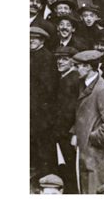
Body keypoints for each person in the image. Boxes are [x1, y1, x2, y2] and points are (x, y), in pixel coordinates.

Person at [71, 50, 104, 194]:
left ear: (88, 67)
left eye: (78, 66)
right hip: (86, 153)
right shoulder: (84, 84)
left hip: (97, 156)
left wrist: (92, 138)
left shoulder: (103, 89)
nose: (75, 69)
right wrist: (75, 132)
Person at [30, 27, 58, 187]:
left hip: (42, 111)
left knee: (44, 146)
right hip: (33, 110)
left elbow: (48, 88)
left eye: (34, 39)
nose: (30, 41)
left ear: (42, 41)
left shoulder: (46, 58)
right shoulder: (31, 55)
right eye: (28, 38)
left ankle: (46, 179)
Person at [53, 46, 80, 193]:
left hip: (68, 133)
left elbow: (74, 109)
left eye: (64, 59)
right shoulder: (65, 77)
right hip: (63, 132)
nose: (60, 62)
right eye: (58, 58)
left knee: (70, 170)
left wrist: (73, 132)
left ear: (73, 62)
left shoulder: (72, 79)